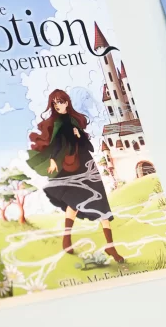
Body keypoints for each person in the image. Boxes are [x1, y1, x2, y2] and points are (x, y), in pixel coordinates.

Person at [28, 89, 123, 262]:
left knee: (100, 201)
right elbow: (56, 144)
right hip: (70, 165)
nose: (58, 105)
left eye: (60, 102)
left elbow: (89, 146)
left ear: (67, 102)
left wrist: (79, 136)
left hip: (86, 163)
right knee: (73, 200)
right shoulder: (57, 123)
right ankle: (67, 239)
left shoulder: (75, 120)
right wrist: (52, 160)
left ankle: (110, 246)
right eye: (55, 103)